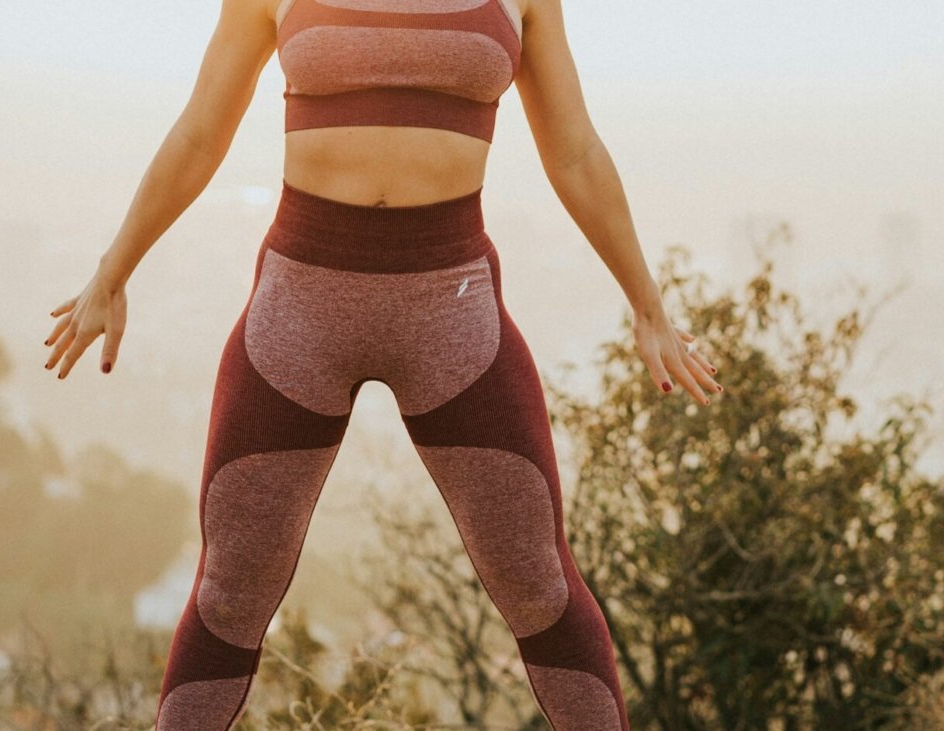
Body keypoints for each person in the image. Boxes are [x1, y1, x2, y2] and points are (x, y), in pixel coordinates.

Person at [44, 0, 722, 727]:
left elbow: (575, 151)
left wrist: (648, 305)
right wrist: (113, 272)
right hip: (298, 309)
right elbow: (201, 131)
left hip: (454, 311)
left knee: (541, 585)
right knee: (228, 592)